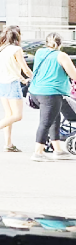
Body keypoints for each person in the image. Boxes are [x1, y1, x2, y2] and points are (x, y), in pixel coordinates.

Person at [27, 32, 76, 161]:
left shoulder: (40, 53)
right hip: (50, 94)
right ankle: (38, 152)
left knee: (55, 119)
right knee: (46, 122)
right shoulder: (62, 56)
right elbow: (74, 75)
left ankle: (58, 150)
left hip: (36, 91)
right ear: (60, 43)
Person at [0, 25, 32, 152]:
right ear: (18, 36)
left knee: (9, 115)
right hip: (11, 84)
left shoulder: (1, 49)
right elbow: (25, 69)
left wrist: (22, 79)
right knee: (17, 115)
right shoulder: (17, 50)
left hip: (1, 83)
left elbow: (9, 68)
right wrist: (36, 77)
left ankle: (8, 144)